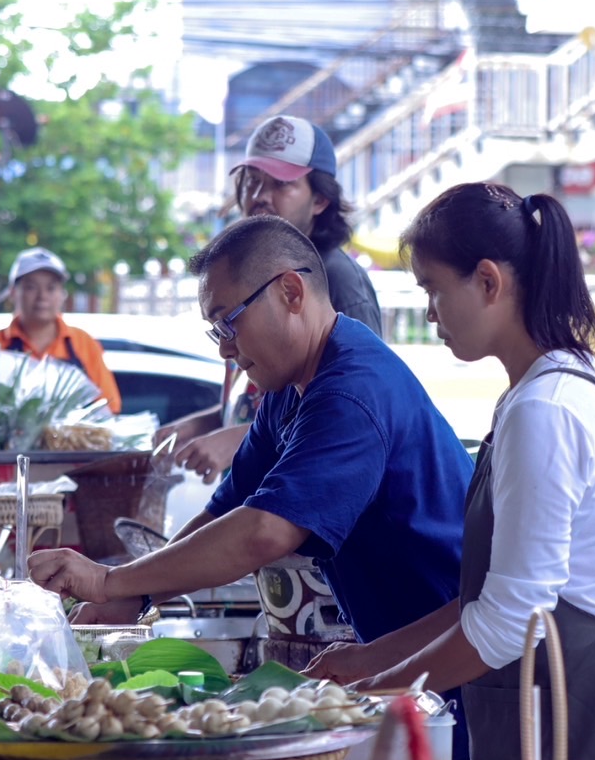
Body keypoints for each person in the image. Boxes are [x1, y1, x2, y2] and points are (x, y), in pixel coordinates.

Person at [305, 182, 595, 760]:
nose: (430, 311)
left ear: (488, 281)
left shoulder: (548, 410)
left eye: (434, 289)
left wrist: (372, 695)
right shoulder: (541, 392)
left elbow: (506, 623)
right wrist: (367, 659)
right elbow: (489, 600)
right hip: (565, 742)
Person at [29, 214, 470, 648]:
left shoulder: (351, 390)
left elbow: (265, 531)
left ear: (290, 292)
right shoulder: (291, 385)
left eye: (228, 321)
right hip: (406, 648)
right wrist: (133, 594)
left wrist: (109, 581)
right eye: (215, 331)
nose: (224, 346)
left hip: (457, 656)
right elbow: (228, 510)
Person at [155, 115, 381, 484]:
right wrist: (202, 423)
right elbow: (259, 400)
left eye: (281, 184)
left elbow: (353, 417)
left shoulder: (337, 282)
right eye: (252, 181)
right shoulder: (249, 275)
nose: (259, 195)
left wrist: (238, 440)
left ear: (321, 199)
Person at [0, 246, 122, 413]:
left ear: (62, 294)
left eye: (51, 288)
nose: (42, 296)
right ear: (13, 293)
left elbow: (109, 405)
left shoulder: (83, 343)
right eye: (31, 287)